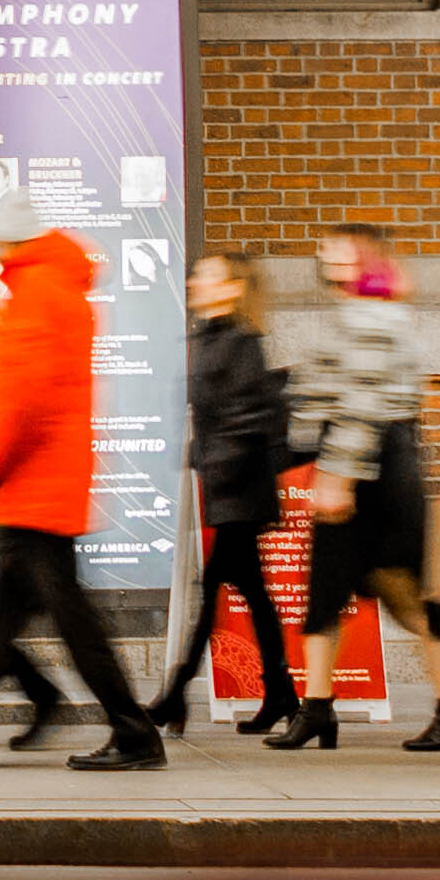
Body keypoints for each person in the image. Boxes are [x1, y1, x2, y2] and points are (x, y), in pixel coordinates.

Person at [0, 216, 163, 767]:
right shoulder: (56, 288)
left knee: (73, 622)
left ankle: (134, 731)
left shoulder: (35, 296)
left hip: (32, 487)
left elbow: (19, 400)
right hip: (43, 482)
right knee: (4, 617)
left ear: (9, 237)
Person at [273, 227, 440, 749]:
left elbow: (364, 404)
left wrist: (338, 477)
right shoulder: (356, 311)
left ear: (363, 257)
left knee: (411, 597)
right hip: (355, 464)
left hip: (374, 471)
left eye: (336, 245)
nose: (323, 251)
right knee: (327, 593)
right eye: (322, 244)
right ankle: (318, 709)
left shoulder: (374, 315)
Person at [185, 251, 301, 737]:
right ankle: (283, 696)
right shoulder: (207, 337)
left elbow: (252, 416)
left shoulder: (241, 341)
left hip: (241, 487)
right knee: (251, 594)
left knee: (213, 593)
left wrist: (209, 455)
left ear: (232, 288)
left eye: (207, 276)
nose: (196, 281)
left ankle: (173, 695)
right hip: (227, 484)